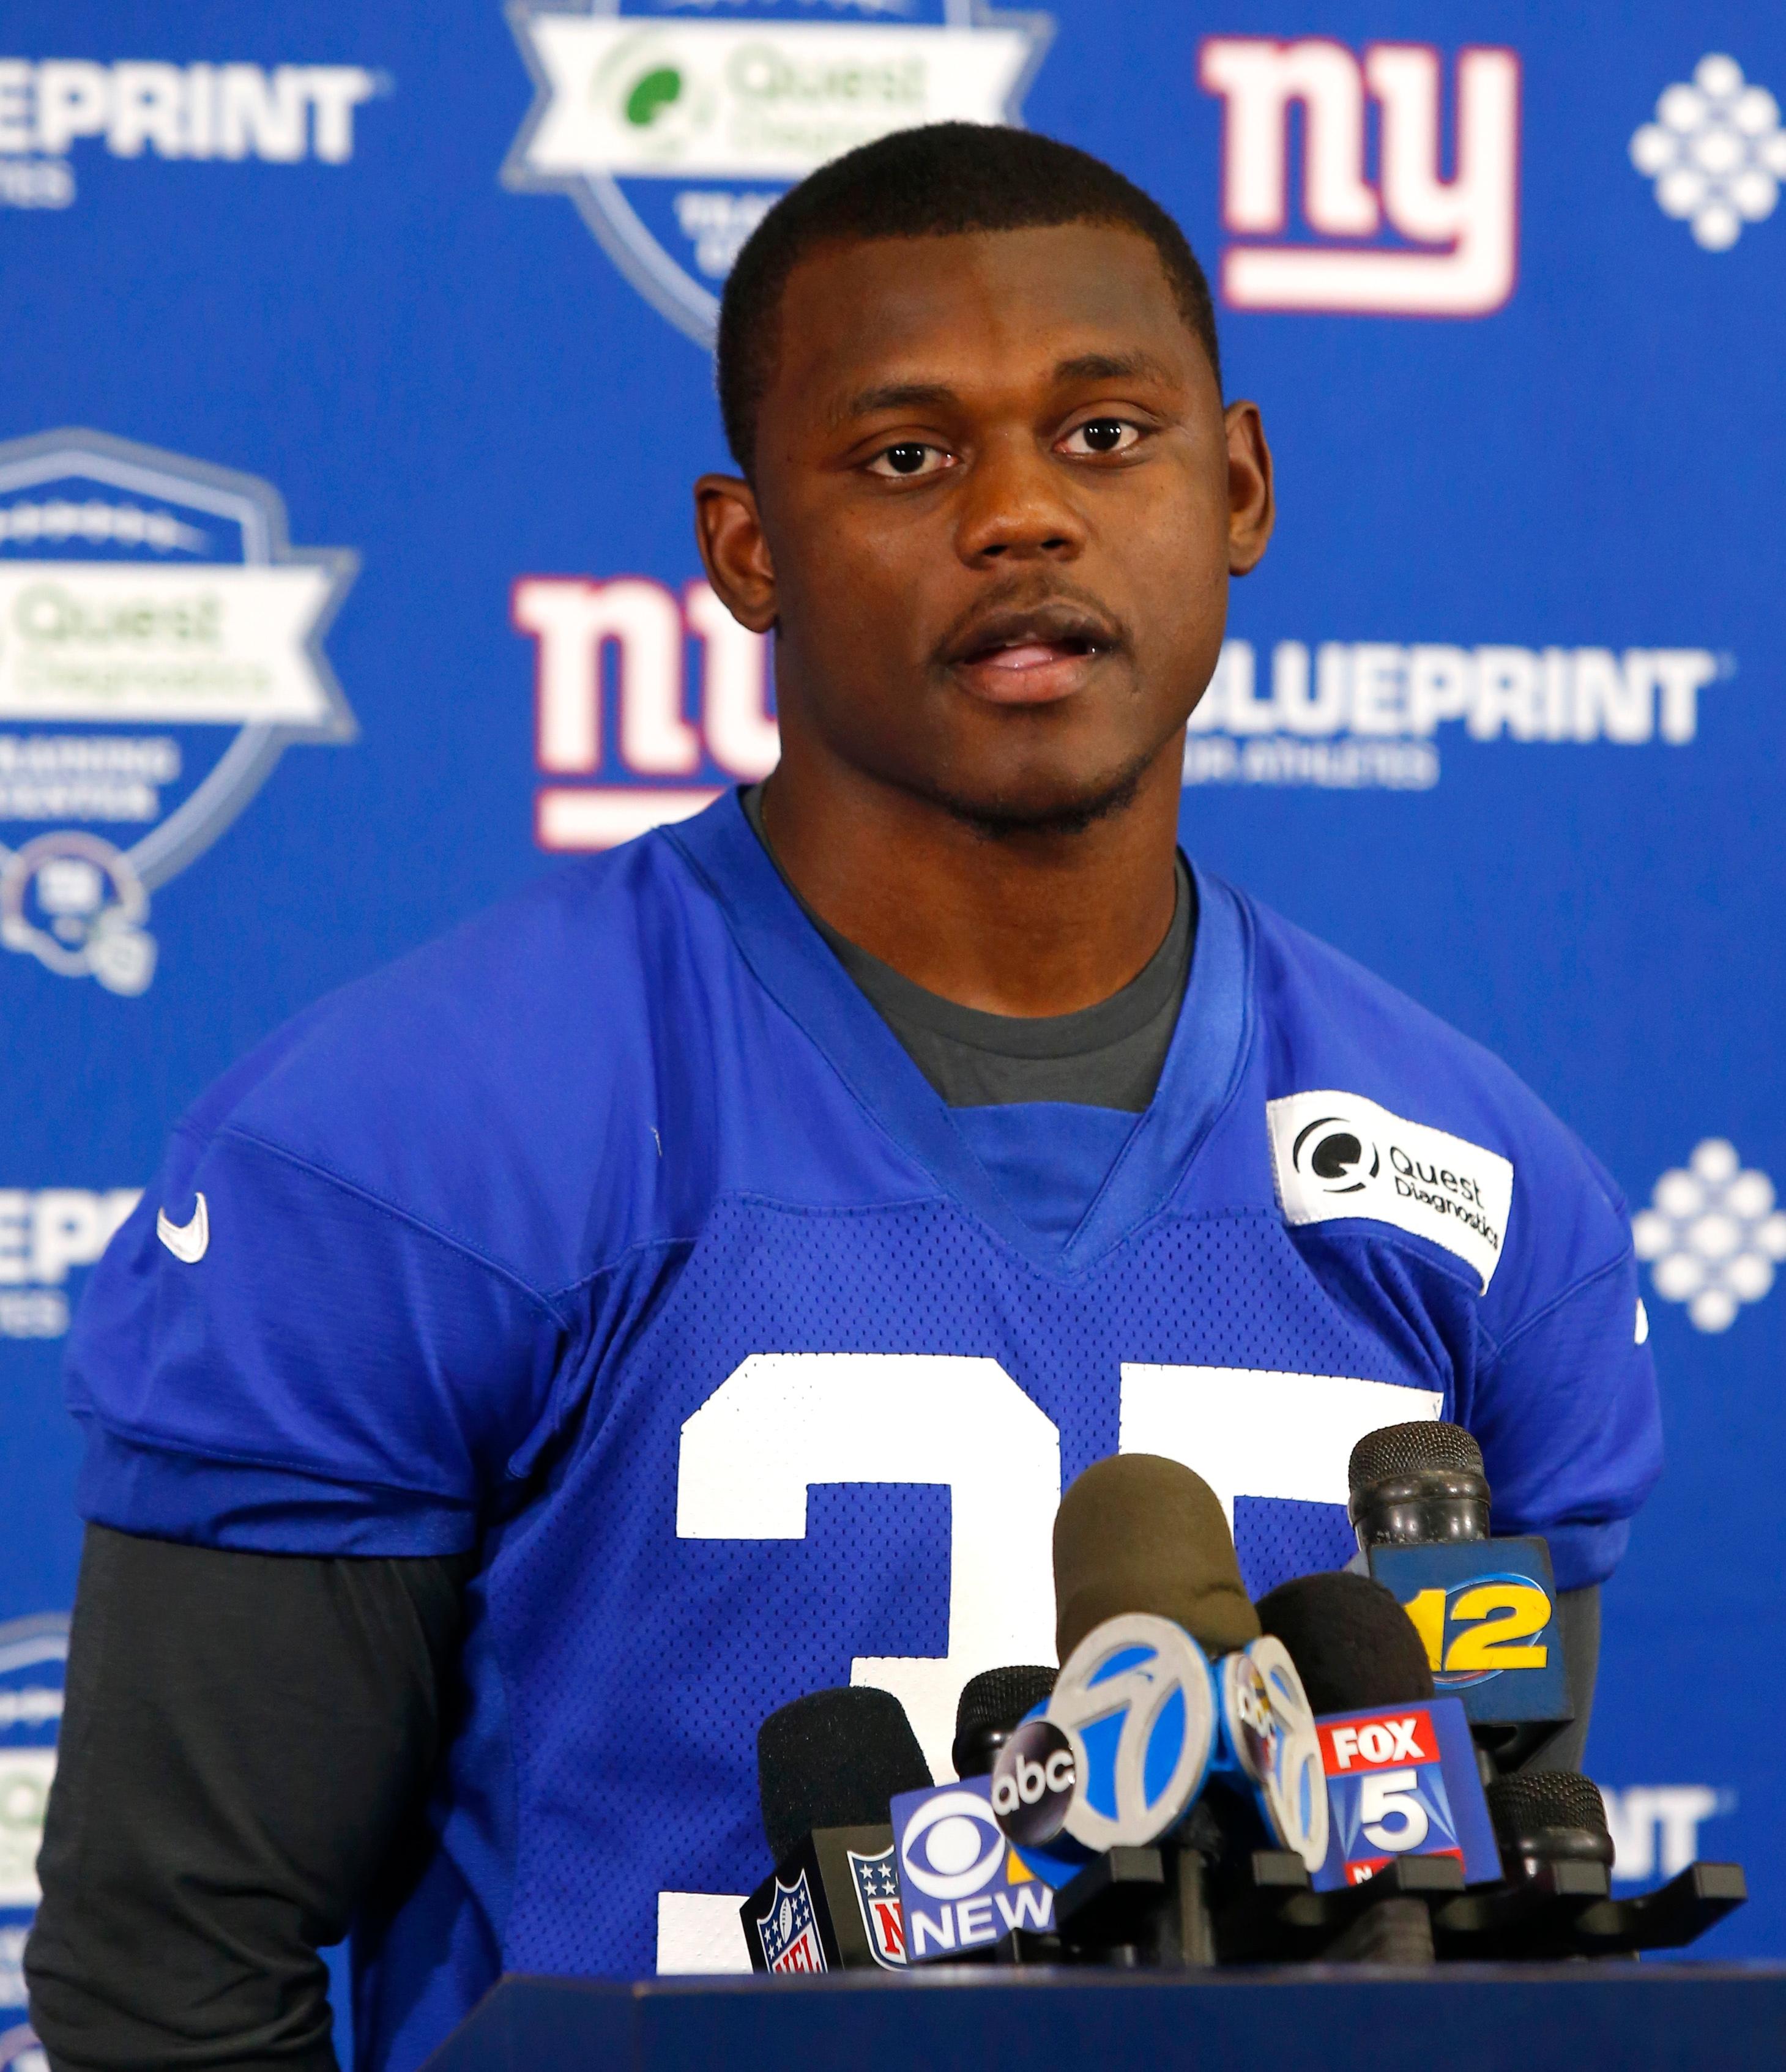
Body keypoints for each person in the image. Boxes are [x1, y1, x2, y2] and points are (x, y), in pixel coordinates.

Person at [27, 123, 1659, 2072]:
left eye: (1107, 436)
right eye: (909, 455)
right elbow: (172, 1987)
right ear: (745, 549)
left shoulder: (1485, 1188)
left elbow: (1498, 1898)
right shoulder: (407, 1145)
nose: (1023, 517)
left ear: (1238, 487)